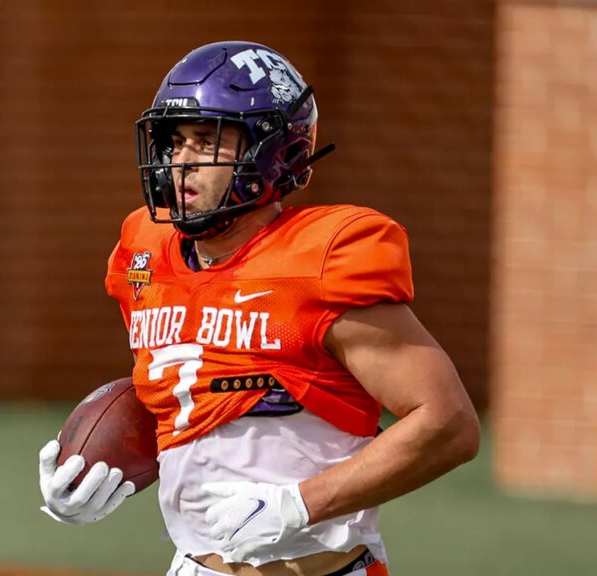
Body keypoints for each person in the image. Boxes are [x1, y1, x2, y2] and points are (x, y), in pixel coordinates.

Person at [38, 41, 480, 576]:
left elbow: (448, 424)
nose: (181, 161)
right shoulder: (144, 250)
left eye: (207, 140)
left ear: (274, 154)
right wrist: (95, 471)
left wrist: (300, 504)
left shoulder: (323, 258)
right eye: (174, 141)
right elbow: (189, 393)